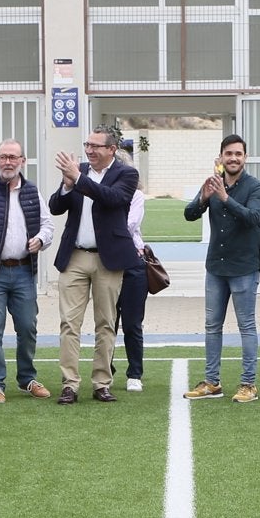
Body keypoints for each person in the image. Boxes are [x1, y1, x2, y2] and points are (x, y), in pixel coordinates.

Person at [50, 126, 139, 404]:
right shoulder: (79, 171)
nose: (89, 150)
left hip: (109, 258)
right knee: (69, 324)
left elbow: (113, 199)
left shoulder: (126, 173)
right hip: (74, 256)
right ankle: (70, 384)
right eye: (87, 145)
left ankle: (102, 383)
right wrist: (67, 185)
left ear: (112, 149)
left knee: (106, 323)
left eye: (95, 146)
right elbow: (55, 207)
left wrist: (77, 178)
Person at [0, 140, 54, 402]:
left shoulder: (31, 192)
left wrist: (41, 239)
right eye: (3, 157)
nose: (8, 162)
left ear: (22, 161)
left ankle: (27, 379)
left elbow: (47, 225)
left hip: (24, 272)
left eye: (13, 157)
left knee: (28, 327)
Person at [183, 134, 260, 402]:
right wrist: (204, 198)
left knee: (246, 326)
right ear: (221, 157)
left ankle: (248, 384)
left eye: (238, 154)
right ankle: (211, 382)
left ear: (245, 158)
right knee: (211, 325)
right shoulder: (212, 183)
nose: (233, 158)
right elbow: (189, 214)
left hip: (243, 268)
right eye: (228, 154)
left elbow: (253, 218)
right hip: (216, 268)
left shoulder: (255, 186)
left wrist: (225, 198)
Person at [116, 140, 150, 393]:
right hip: (106, 260)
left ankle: (134, 373)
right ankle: (104, 368)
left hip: (133, 262)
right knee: (106, 320)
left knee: (132, 322)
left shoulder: (136, 196)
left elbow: (128, 225)